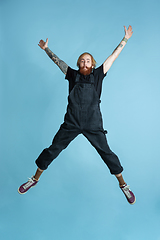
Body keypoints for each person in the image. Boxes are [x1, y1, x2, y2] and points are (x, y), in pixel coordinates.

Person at [18, 25, 136, 205]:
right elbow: (58, 61)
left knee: (106, 153)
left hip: (93, 124)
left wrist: (125, 39)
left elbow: (113, 56)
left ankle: (123, 185)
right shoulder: (72, 75)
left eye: (88, 60)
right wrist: (46, 49)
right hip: (71, 123)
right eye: (82, 60)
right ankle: (34, 179)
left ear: (93, 64)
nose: (84, 63)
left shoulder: (98, 75)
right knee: (53, 149)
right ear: (78, 64)